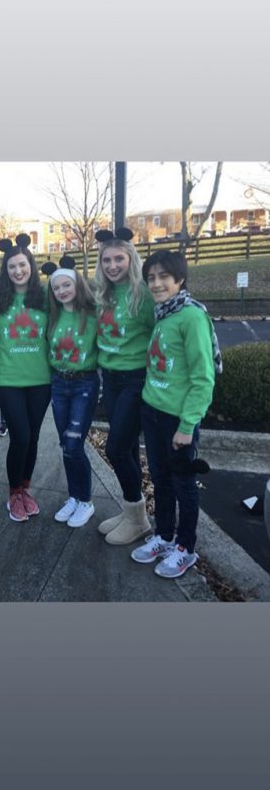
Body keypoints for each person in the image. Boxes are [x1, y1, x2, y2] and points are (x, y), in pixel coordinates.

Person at [130, 250, 219, 577]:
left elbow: (203, 377)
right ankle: (164, 536)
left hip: (177, 421)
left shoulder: (191, 317)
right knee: (160, 479)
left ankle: (185, 547)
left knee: (183, 485)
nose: (156, 283)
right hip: (152, 413)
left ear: (179, 279)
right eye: (151, 278)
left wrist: (187, 425)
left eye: (163, 277)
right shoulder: (163, 314)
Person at [94, 228, 155, 545]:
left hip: (135, 379)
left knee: (115, 448)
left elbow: (161, 336)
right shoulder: (101, 294)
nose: (113, 265)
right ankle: (131, 512)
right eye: (107, 259)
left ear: (131, 259)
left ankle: (139, 520)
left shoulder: (143, 294)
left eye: (119, 258)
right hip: (111, 378)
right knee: (127, 447)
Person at [0, 233, 51, 522]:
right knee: (21, 436)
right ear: (6, 270)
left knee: (34, 437)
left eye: (22, 265)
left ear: (31, 265)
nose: (18, 271)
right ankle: (13, 493)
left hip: (40, 380)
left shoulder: (44, 298)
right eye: (12, 266)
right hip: (8, 380)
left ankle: (25, 489)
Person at [42, 256, 100, 528]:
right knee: (66, 444)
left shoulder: (93, 313)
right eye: (57, 287)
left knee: (75, 442)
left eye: (67, 285)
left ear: (77, 284)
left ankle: (86, 500)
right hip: (59, 383)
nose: (62, 290)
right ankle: (74, 496)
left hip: (84, 384)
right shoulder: (52, 317)